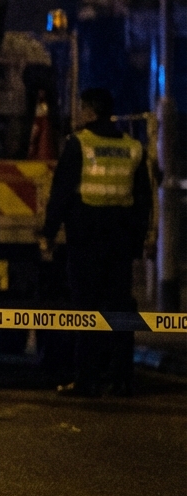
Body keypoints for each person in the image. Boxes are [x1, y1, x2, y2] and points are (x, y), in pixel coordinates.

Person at [40, 88, 151, 397]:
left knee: (86, 310)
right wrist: (140, 239)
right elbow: (143, 200)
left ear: (88, 111)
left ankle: (87, 378)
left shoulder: (80, 144)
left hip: (86, 241)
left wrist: (48, 233)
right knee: (119, 309)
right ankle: (122, 377)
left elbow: (61, 193)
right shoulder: (133, 147)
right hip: (120, 242)